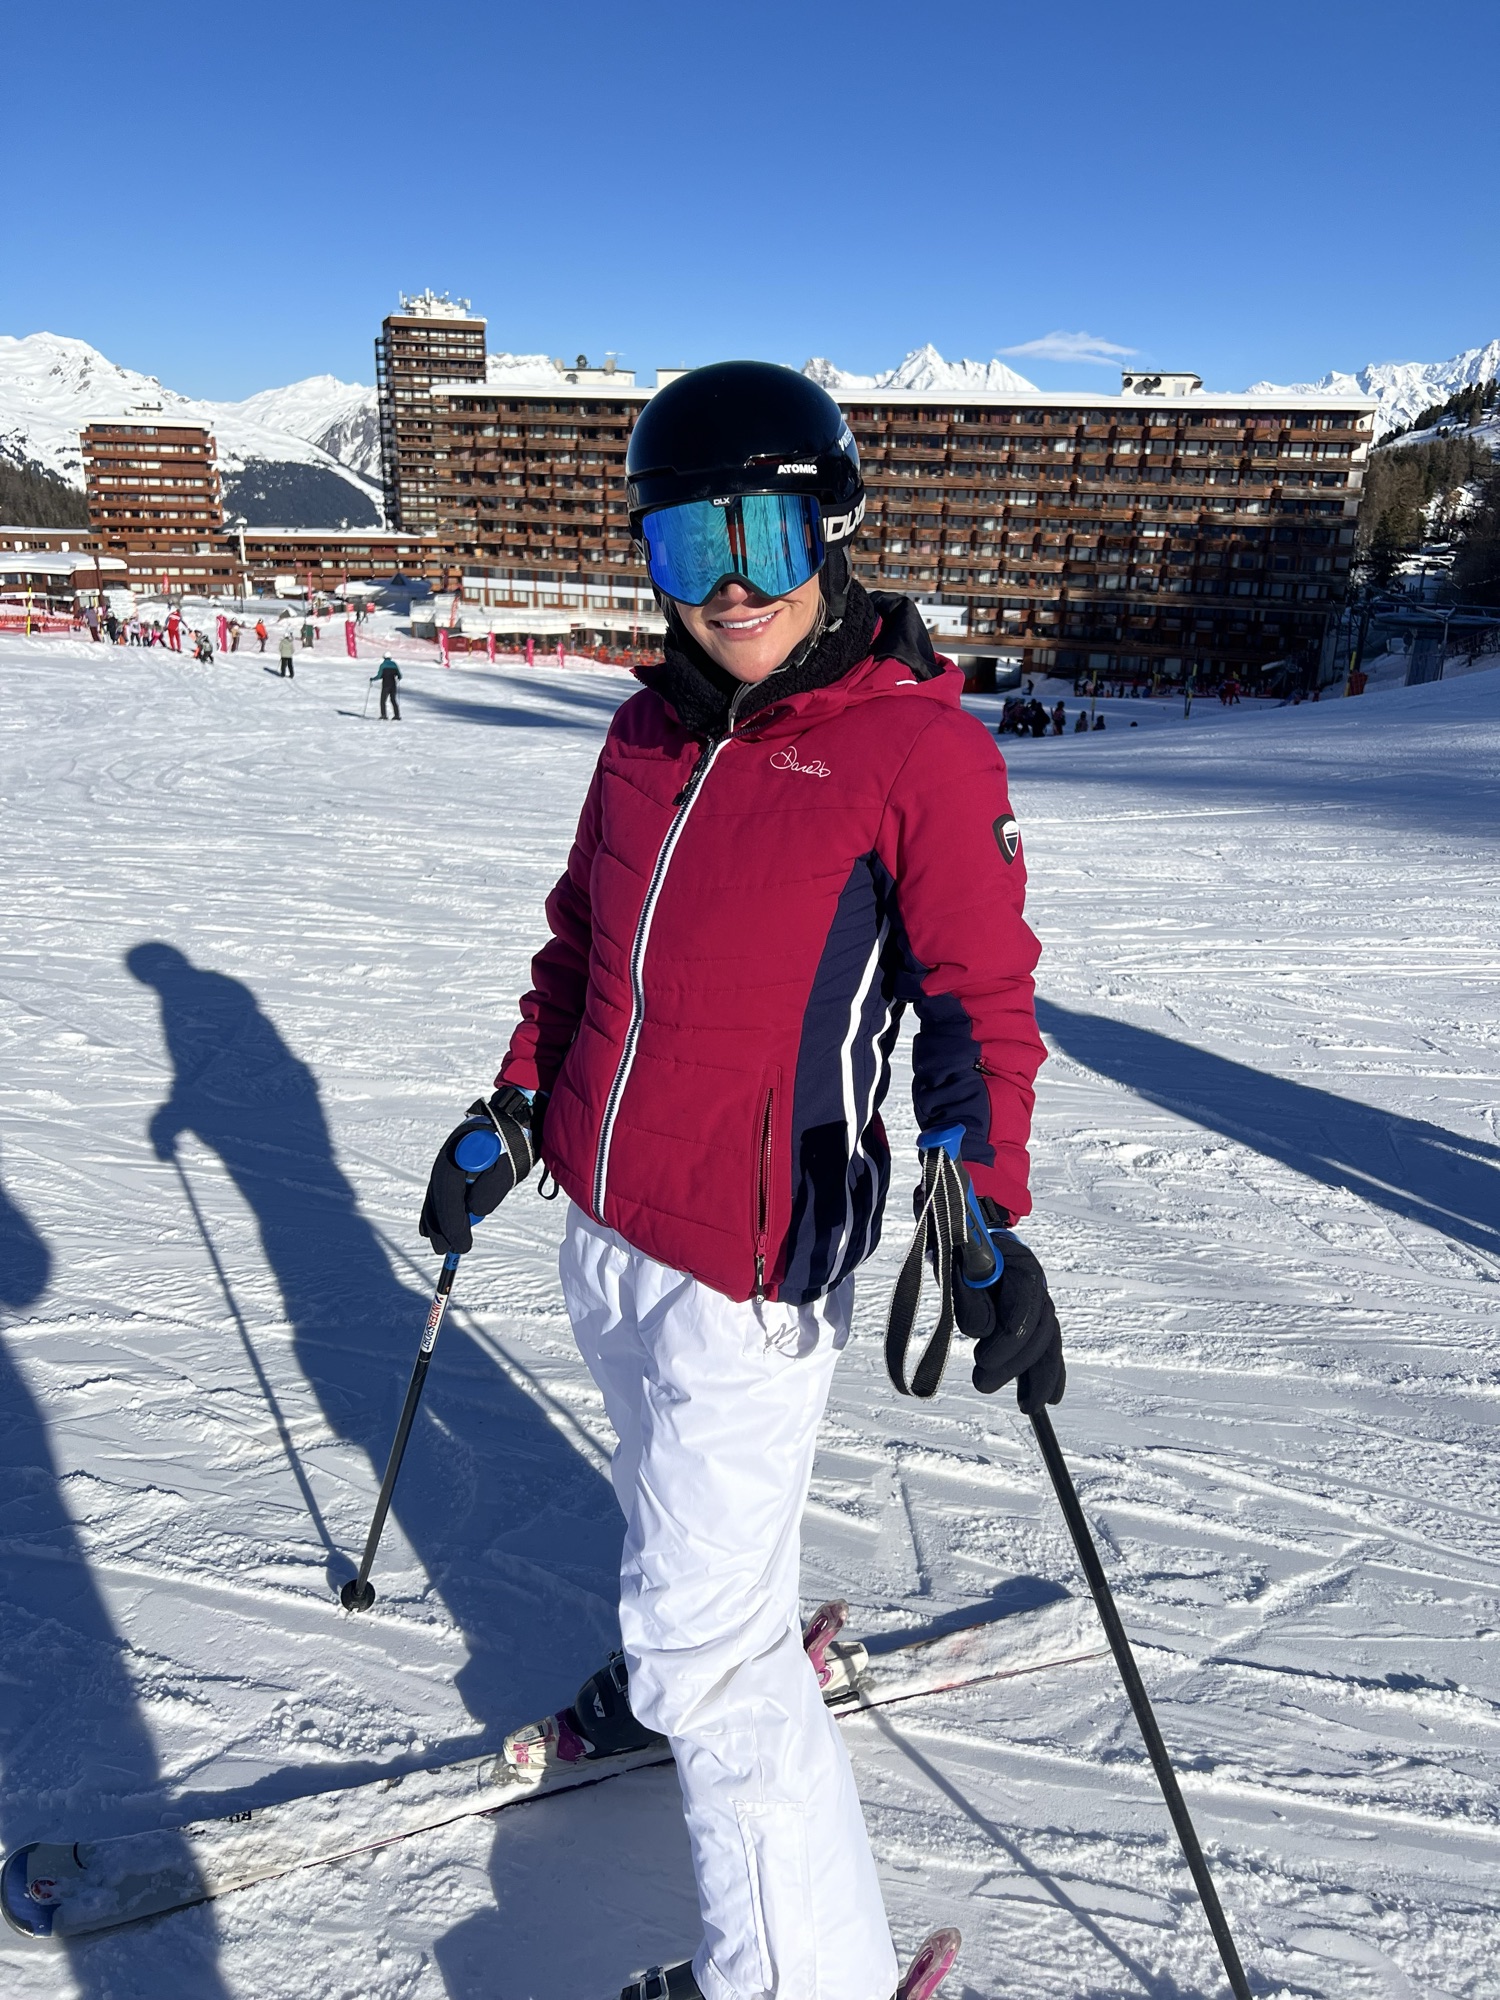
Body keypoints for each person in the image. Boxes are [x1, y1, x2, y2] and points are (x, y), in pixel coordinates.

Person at [417, 363, 1063, 2000]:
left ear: (829, 530)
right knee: (676, 1541)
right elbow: (581, 951)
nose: (727, 585)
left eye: (761, 535)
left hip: (751, 1272)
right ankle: (699, 1647)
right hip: (605, 1225)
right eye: (685, 542)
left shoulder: (914, 752)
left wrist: (982, 1207)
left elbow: (978, 1006)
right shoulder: (643, 733)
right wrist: (514, 1110)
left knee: (711, 1663)